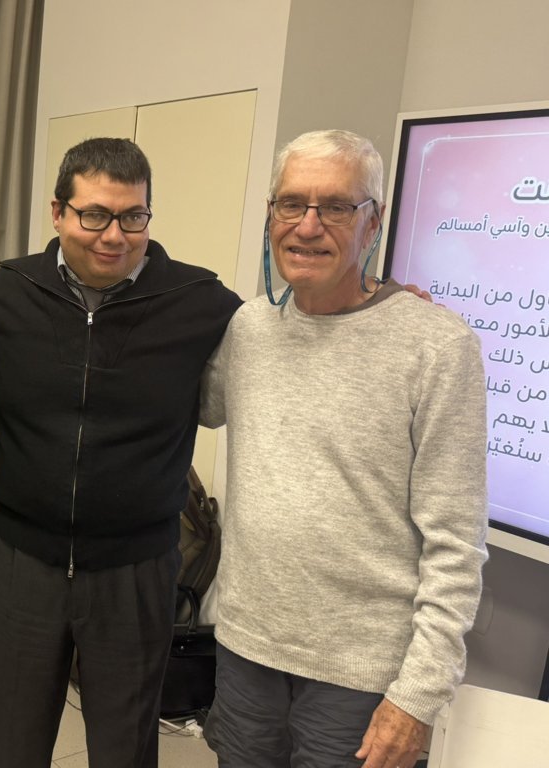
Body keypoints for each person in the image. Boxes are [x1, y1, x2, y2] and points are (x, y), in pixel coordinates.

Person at [199, 129, 488, 768]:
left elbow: (457, 543)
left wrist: (417, 696)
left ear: (372, 223)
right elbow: (190, 402)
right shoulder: (250, 329)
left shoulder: (437, 346)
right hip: (247, 650)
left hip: (361, 676)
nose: (308, 226)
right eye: (291, 204)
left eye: (335, 207)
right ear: (271, 214)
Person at [0, 137, 243, 768]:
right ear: (57, 212)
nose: (114, 236)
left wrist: (377, 299)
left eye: (133, 216)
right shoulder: (8, 292)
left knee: (125, 748)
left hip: (136, 569)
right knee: (11, 743)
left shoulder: (200, 302)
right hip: (24, 559)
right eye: (94, 214)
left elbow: (295, 334)